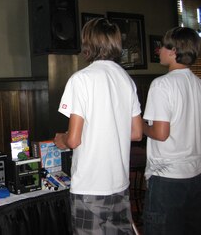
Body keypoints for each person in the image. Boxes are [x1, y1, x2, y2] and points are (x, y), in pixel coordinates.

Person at [54, 18, 143, 234]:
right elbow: (136, 133)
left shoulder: (81, 79)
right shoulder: (126, 79)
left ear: (88, 44)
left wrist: (61, 140)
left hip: (90, 187)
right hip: (119, 184)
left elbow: (74, 139)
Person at [142, 26, 201, 235]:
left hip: (167, 178)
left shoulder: (162, 85)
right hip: (195, 175)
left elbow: (160, 133)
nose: (159, 51)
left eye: (163, 47)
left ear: (174, 50)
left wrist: (139, 124)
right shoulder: (198, 83)